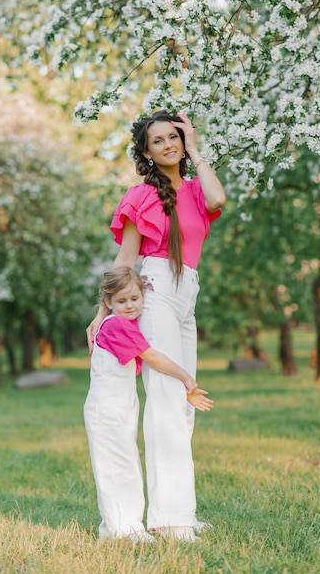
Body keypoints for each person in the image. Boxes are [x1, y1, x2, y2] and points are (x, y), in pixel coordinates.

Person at [87, 110, 226, 542]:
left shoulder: (195, 188)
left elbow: (219, 200)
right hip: (158, 285)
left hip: (188, 291)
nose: (169, 145)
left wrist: (196, 148)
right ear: (146, 153)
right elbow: (127, 257)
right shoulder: (143, 194)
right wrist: (102, 310)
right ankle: (171, 522)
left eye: (174, 137)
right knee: (166, 399)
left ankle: (176, 511)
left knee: (184, 402)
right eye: (158, 141)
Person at [84, 265, 213, 542]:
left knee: (126, 461)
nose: (130, 306)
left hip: (121, 405)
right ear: (108, 303)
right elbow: (152, 356)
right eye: (121, 301)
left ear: (143, 297)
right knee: (116, 464)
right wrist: (185, 377)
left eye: (134, 299)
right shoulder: (116, 325)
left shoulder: (127, 325)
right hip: (106, 408)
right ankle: (121, 529)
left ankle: (122, 527)